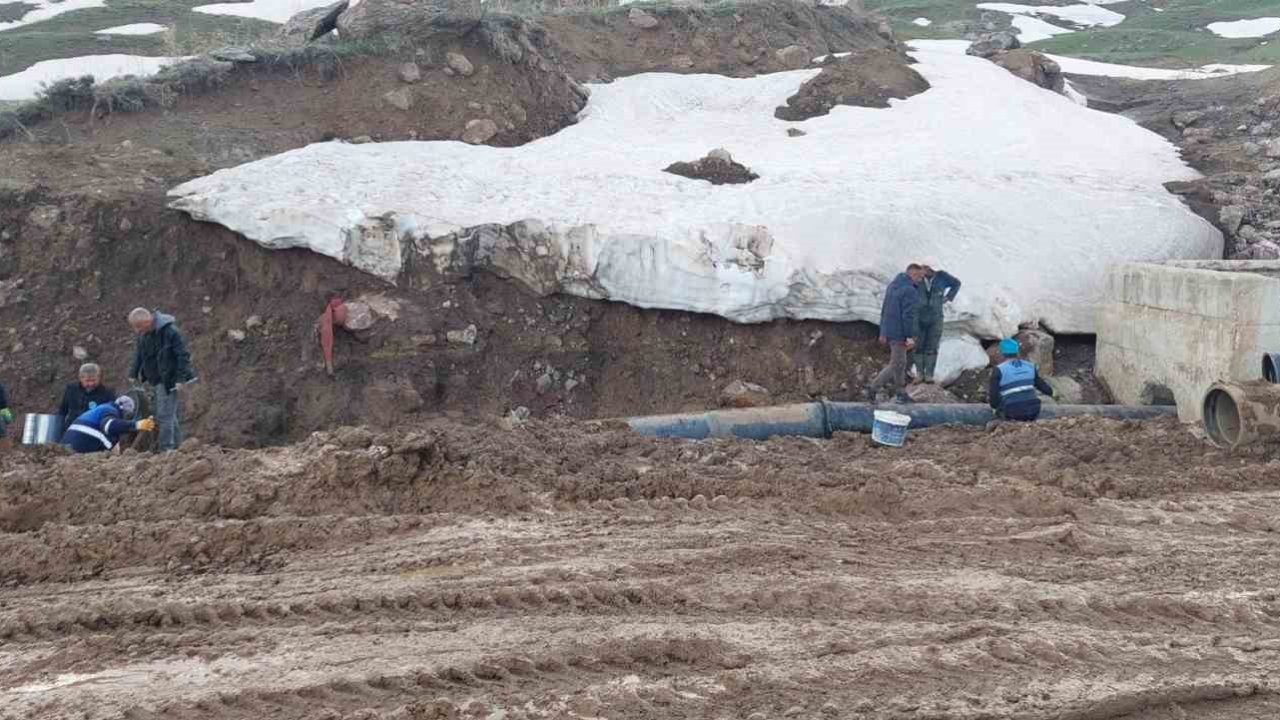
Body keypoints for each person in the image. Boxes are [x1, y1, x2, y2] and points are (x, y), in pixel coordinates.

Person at [127, 308, 195, 451]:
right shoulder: (144, 335)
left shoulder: (170, 332)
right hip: (156, 379)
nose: (137, 331)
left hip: (170, 379)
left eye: (139, 327)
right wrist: (133, 373)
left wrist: (180, 379)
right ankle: (178, 448)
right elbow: (139, 355)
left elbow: (182, 356)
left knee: (164, 415)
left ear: (148, 321)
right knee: (169, 415)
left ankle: (166, 449)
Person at [867, 264, 925, 405]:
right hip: (900, 332)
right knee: (896, 364)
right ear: (912, 274)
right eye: (919, 277)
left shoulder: (893, 286)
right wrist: (909, 336)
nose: (921, 280)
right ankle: (873, 388)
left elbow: (885, 310)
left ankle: (901, 393)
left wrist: (883, 332)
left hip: (891, 330)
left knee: (901, 363)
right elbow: (908, 315)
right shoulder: (910, 290)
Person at [912, 257, 962, 384]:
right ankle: (919, 374)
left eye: (933, 270)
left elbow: (957, 283)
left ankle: (929, 375)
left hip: (936, 317)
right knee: (918, 345)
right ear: (924, 268)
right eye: (929, 269)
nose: (932, 272)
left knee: (932, 346)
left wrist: (948, 297)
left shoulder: (942, 276)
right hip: (918, 316)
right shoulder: (917, 277)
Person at [989, 338, 1056, 421]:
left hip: (1012, 412)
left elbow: (994, 397)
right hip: (1034, 411)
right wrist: (1053, 394)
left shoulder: (999, 370)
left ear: (1002, 353)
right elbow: (1044, 387)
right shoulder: (1030, 366)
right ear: (1017, 351)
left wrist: (995, 408)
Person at [64, 395, 155, 454]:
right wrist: (135, 425)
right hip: (79, 447)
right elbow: (108, 426)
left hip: (69, 446)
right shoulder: (110, 410)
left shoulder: (103, 408)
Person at [58, 363, 116, 433]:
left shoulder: (107, 393)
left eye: (94, 380)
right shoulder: (71, 389)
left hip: (94, 431)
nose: (91, 384)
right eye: (88, 381)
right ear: (80, 378)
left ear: (99, 378)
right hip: (71, 429)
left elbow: (112, 416)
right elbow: (62, 411)